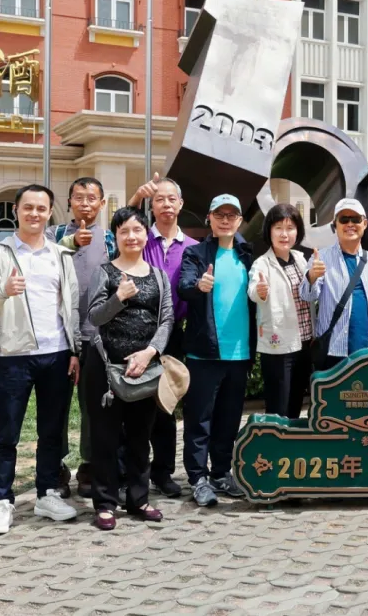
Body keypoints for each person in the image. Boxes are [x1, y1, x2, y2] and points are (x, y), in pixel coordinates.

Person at [0, 184, 80, 536]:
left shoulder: (60, 255)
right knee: (7, 434)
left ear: (50, 213)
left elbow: (71, 306)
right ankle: (2, 501)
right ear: (16, 211)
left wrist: (75, 351)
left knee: (51, 432)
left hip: (57, 356)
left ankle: (46, 494)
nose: (35, 213)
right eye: (28, 207)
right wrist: (3, 290)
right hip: (14, 357)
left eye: (41, 208)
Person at [85, 207, 174, 530]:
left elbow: (166, 319)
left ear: (146, 234)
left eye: (137, 230)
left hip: (145, 370)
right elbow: (94, 316)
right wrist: (119, 297)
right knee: (105, 439)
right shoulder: (105, 272)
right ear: (116, 236)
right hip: (106, 369)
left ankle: (138, 499)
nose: (131, 236)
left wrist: (149, 353)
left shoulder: (159, 276)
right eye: (124, 231)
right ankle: (105, 504)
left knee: (140, 438)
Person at [178, 194, 256, 507]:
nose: (225, 220)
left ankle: (221, 473)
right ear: (209, 218)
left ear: (240, 220)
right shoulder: (196, 253)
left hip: (239, 353)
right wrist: (199, 286)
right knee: (199, 419)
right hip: (204, 352)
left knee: (229, 418)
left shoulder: (247, 254)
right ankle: (198, 478)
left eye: (231, 215)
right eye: (219, 214)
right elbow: (183, 286)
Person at [128, 173, 198, 498]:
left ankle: (163, 471)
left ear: (181, 204)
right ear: (151, 206)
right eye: (159, 199)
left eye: (172, 199)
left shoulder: (194, 248)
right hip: (138, 330)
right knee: (135, 403)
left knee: (166, 404)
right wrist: (134, 199)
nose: (166, 204)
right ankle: (132, 472)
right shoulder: (141, 238)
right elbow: (121, 227)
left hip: (174, 335)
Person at [50, 176, 117, 499]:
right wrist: (72, 242)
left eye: (92, 198)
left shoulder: (110, 239)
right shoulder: (54, 235)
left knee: (93, 406)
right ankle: (55, 466)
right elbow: (43, 259)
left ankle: (90, 464)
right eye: (79, 197)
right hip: (59, 335)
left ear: (102, 204)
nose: (85, 204)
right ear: (69, 202)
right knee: (56, 405)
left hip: (96, 336)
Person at [301, 198, 368, 370]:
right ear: (335, 225)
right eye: (344, 219)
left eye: (355, 219)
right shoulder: (321, 258)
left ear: (365, 224)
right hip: (333, 350)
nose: (350, 224)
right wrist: (312, 276)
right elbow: (307, 295)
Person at [248, 203, 314, 417]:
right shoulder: (262, 264)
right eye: (278, 228)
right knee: (279, 407)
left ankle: (292, 440)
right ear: (269, 231)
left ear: (298, 232)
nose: (284, 234)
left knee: (296, 404)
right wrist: (260, 291)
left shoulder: (300, 259)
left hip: (305, 343)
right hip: (279, 347)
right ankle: (274, 440)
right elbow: (253, 291)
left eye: (290, 228)